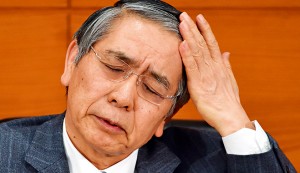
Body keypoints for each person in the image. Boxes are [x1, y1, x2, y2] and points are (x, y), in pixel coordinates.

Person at [0, 0, 296, 172]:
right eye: (114, 67)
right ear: (72, 62)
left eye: (153, 89)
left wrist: (232, 117)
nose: (124, 97)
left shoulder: (213, 161)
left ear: (166, 117)